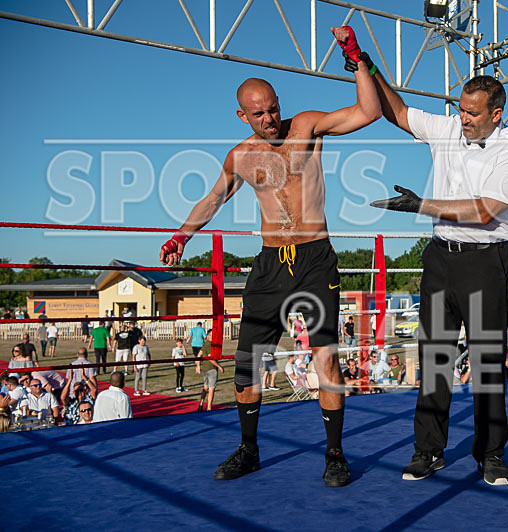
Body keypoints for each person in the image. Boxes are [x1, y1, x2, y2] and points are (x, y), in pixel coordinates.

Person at [158, 26, 380, 487]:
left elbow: (369, 111)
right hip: (269, 261)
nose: (270, 118)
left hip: (315, 258)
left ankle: (335, 455)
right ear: (242, 115)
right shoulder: (240, 155)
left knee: (326, 360)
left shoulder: (307, 127)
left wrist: (355, 57)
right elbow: (214, 199)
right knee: (247, 362)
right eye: (259, 113)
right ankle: (249, 449)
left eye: (274, 108)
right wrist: (182, 235)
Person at [369, 65, 508, 485]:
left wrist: (422, 205)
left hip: (485, 262)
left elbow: (483, 212)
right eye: (461, 110)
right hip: (440, 258)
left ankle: (491, 454)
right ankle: (427, 451)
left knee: (487, 363)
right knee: (435, 359)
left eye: (473, 114)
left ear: (497, 114)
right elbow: (398, 112)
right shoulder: (447, 129)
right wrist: (370, 68)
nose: (463, 119)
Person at [196, 329, 225, 411]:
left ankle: (201, 404)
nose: (213, 337)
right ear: (208, 335)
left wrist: (198, 366)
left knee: (205, 387)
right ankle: (209, 407)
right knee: (211, 388)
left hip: (205, 368)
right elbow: (210, 358)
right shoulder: (209, 345)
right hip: (211, 369)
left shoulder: (205, 344)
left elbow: (198, 355)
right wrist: (219, 366)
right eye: (212, 335)